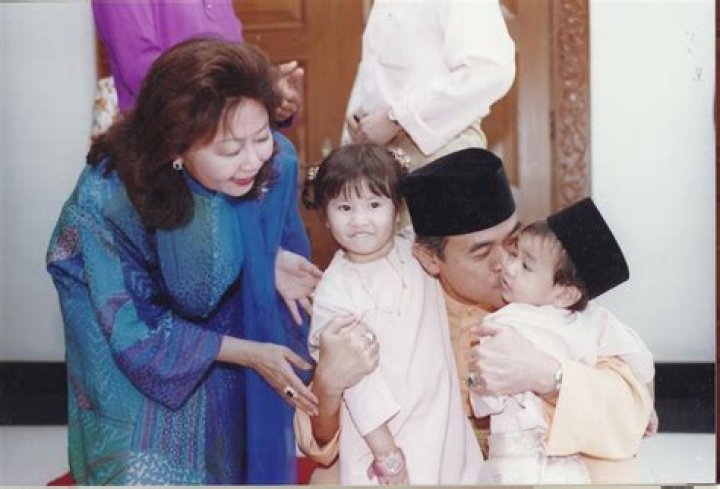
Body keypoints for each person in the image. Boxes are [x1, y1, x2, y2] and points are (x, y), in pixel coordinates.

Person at [46, 38, 322, 485]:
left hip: (214, 326)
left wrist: (263, 259)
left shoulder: (268, 164)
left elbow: (239, 224)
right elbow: (134, 331)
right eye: (230, 150)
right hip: (127, 341)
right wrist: (249, 353)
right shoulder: (106, 200)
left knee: (228, 443)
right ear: (176, 147)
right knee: (147, 466)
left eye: (261, 137)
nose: (253, 160)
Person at [295, 148, 653, 484]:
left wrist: (548, 376)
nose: (505, 263)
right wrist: (328, 381)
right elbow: (319, 441)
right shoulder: (401, 288)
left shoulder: (544, 297)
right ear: (429, 259)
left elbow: (633, 406)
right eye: (482, 252)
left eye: (512, 242)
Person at [307, 143, 482, 484]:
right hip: (383, 439)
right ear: (326, 216)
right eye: (344, 207)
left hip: (442, 422)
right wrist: (385, 452)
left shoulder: (417, 250)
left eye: (374, 204)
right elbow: (356, 380)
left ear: (397, 208)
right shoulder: (334, 291)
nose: (359, 221)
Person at [470, 198, 657, 484]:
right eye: (514, 254)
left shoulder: (509, 319)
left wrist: (644, 404)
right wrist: (647, 403)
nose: (508, 267)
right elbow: (640, 357)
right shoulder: (595, 320)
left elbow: (485, 394)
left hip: (528, 455)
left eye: (525, 266)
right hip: (546, 457)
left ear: (565, 294)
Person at [344, 0, 515, 171]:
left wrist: (396, 118)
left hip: (440, 157)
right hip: (378, 159)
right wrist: (358, 122)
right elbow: (375, 68)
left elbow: (490, 71)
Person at [92, 0, 301, 120]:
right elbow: (147, 77)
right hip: (169, 143)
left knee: (284, 159)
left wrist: (268, 91)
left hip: (228, 132)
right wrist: (246, 95)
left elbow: (232, 63)